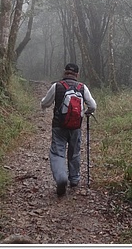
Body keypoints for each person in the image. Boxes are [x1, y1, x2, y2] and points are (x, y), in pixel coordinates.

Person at [40, 63, 97, 197]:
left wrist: (42, 105)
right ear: (77, 74)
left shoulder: (57, 86)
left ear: (65, 72)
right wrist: (87, 112)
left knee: (57, 152)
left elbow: (45, 103)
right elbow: (93, 105)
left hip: (59, 126)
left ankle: (61, 178)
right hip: (76, 126)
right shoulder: (82, 87)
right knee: (75, 152)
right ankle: (74, 179)